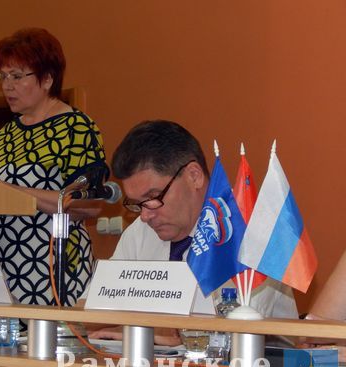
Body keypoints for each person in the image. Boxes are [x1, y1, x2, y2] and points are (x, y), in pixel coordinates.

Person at [87, 120, 298, 344]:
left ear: (194, 176)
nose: (145, 215)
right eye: (137, 204)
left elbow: (238, 328)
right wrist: (152, 334)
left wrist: (157, 335)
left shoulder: (249, 231)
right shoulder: (140, 232)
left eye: (153, 197)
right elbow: (90, 312)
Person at [0, 28, 106, 308]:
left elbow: (90, 205)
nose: (7, 85)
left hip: (52, 270)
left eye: (16, 76)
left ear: (47, 79)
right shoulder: (5, 134)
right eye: (2, 76)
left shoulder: (76, 127)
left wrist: (9, 191)